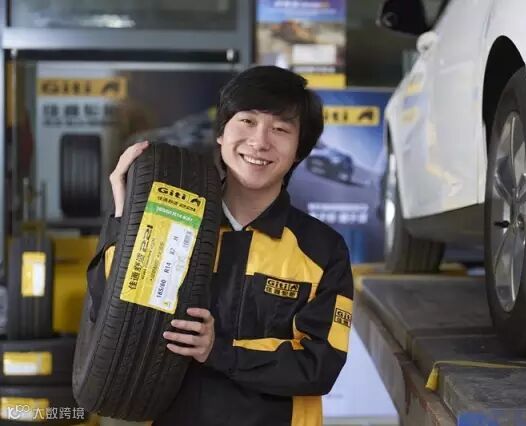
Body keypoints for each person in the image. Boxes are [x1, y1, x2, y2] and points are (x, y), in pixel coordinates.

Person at [90, 65, 354, 425]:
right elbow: (108, 314)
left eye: (280, 129)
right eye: (247, 121)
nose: (259, 141)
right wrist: (125, 219)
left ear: (299, 150)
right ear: (221, 132)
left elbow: (319, 366)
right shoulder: (175, 223)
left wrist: (219, 351)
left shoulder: (322, 250)